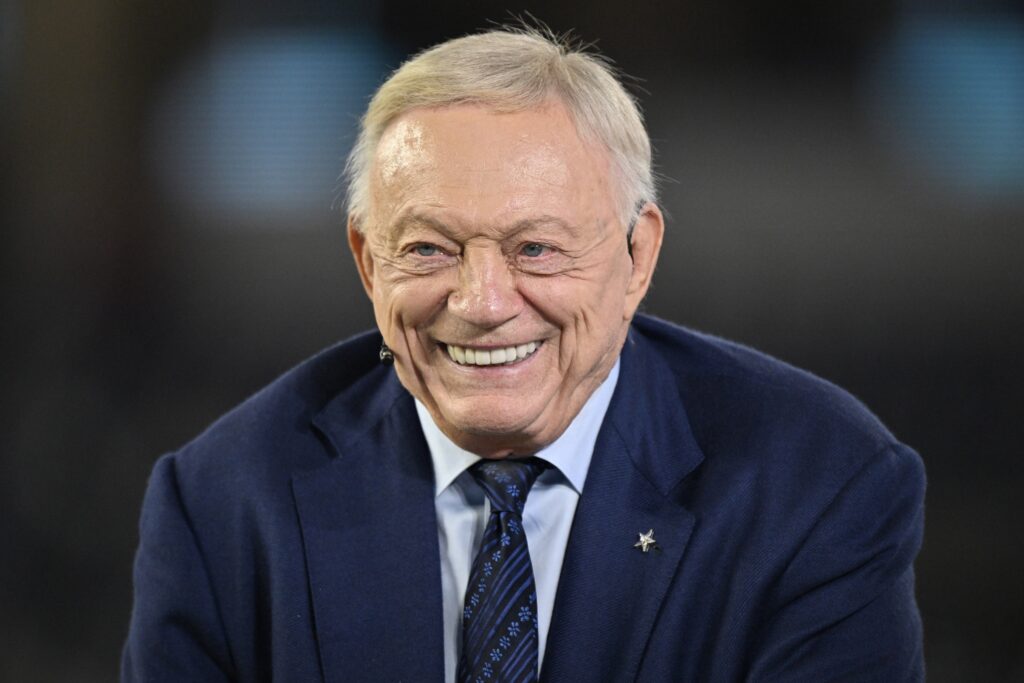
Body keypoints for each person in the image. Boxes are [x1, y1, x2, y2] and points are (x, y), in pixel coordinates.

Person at [122, 27, 925, 682]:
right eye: (430, 249)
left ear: (637, 256)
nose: (482, 301)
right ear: (369, 263)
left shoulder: (817, 483)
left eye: (535, 248)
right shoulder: (223, 504)